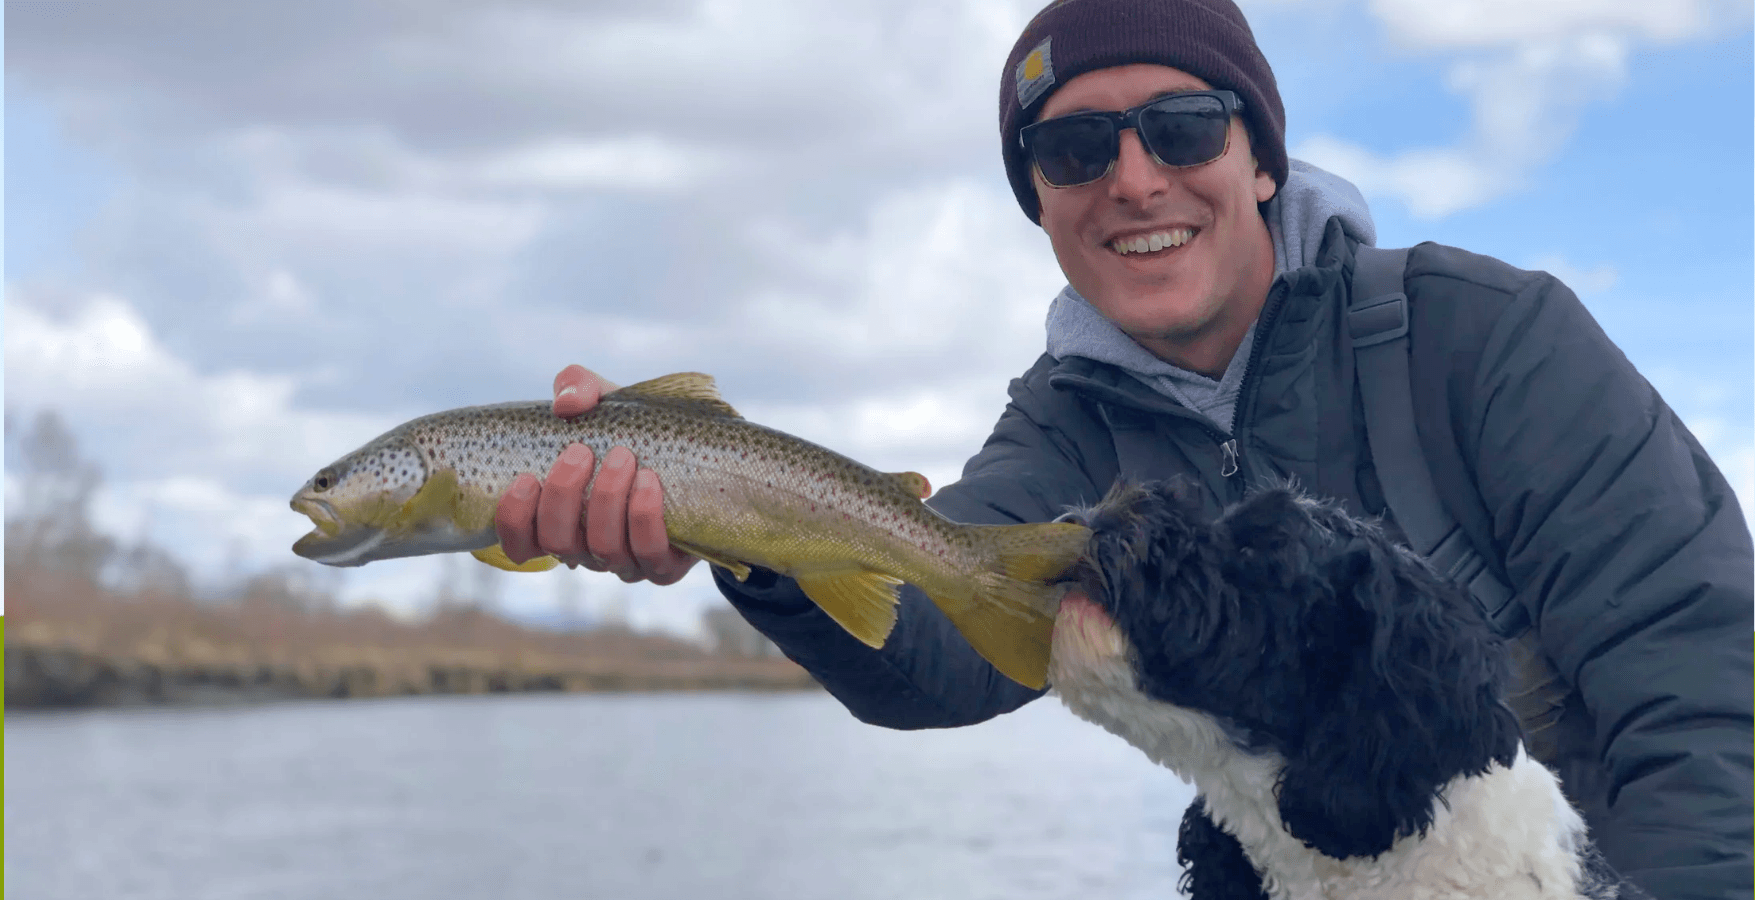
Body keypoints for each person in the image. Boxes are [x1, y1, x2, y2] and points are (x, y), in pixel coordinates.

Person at [495, 1, 1754, 895]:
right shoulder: (1061, 426)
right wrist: (735, 528)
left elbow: (1699, 672)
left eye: (1187, 127)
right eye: (1075, 149)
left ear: (1260, 159)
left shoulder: (1487, 335)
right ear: (1039, 197)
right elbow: (944, 652)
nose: (1135, 179)